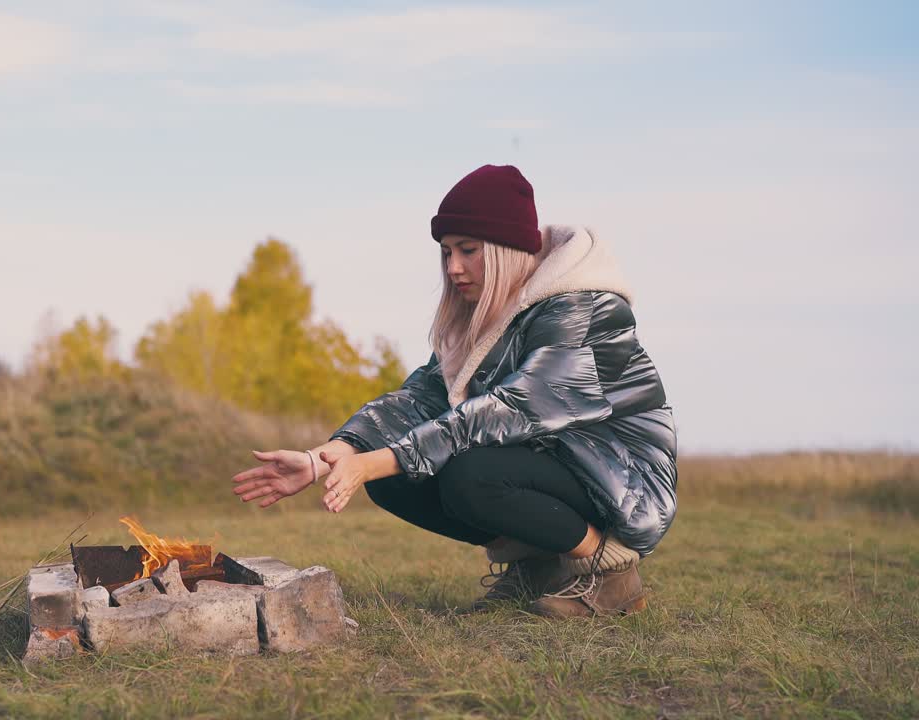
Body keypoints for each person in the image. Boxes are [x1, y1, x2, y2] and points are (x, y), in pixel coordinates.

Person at [230, 164, 677, 618]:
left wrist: (373, 462)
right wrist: (325, 457)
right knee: (396, 479)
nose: (453, 267)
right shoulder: (481, 315)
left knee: (470, 473)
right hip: (550, 463)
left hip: (619, 480)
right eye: (446, 252)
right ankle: (539, 564)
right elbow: (419, 399)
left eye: (468, 250)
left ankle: (611, 571)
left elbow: (513, 408)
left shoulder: (583, 306)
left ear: (507, 248)